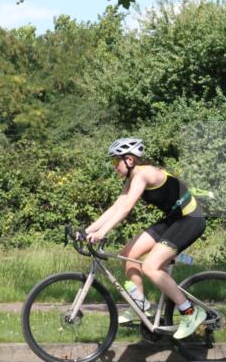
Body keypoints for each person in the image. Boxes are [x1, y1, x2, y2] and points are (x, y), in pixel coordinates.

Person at [85, 137, 207, 339]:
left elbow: (125, 208)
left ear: (130, 160)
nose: (114, 166)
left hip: (190, 219)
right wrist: (89, 231)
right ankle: (140, 305)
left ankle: (190, 312)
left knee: (151, 266)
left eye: (116, 161)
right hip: (173, 219)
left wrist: (102, 233)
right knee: (128, 254)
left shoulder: (143, 175)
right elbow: (116, 206)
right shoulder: (132, 178)